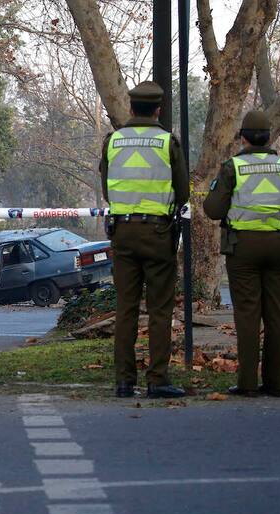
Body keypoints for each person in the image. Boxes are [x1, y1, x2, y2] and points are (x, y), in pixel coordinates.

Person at [99, 80, 189, 399]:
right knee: (160, 309)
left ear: (132, 108)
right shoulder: (167, 142)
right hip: (158, 234)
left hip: (122, 233)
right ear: (158, 109)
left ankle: (124, 381)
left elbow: (108, 190)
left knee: (126, 309)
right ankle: (157, 379)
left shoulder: (113, 141)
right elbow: (183, 192)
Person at [203, 110, 280, 397]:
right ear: (269, 137)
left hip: (243, 248)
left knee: (247, 315)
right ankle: (276, 383)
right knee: (277, 316)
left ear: (243, 137)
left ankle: (247, 383)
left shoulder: (233, 167)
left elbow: (213, 210)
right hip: (278, 246)